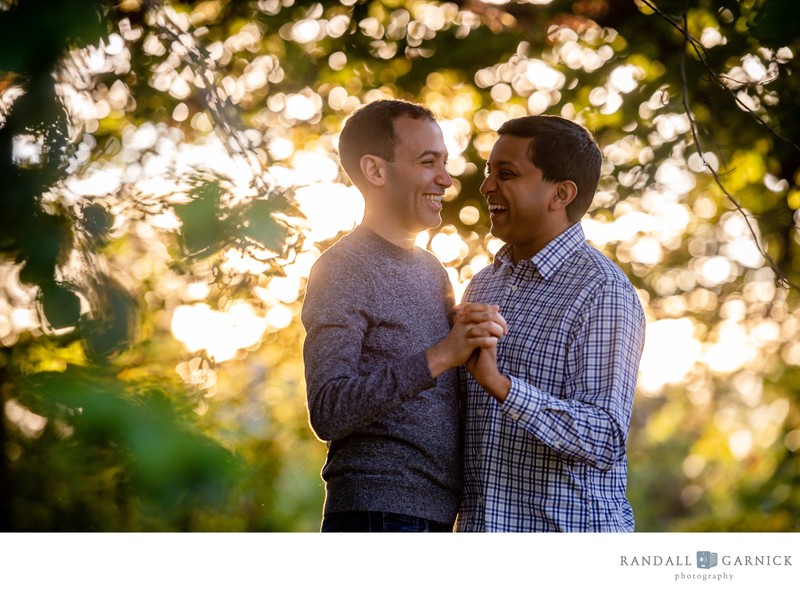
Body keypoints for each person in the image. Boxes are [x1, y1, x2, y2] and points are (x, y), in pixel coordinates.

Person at [301, 99, 506, 532]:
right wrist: (440, 354)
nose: (446, 180)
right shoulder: (342, 268)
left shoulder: (432, 270)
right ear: (375, 170)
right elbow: (328, 409)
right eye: (428, 162)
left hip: (435, 514)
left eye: (445, 163)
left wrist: (473, 344)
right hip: (375, 513)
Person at [456, 115, 646, 532]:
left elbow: (605, 437)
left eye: (506, 174)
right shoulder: (483, 285)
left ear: (561, 193)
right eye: (490, 173)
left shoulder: (603, 292)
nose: (487, 187)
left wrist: (502, 386)